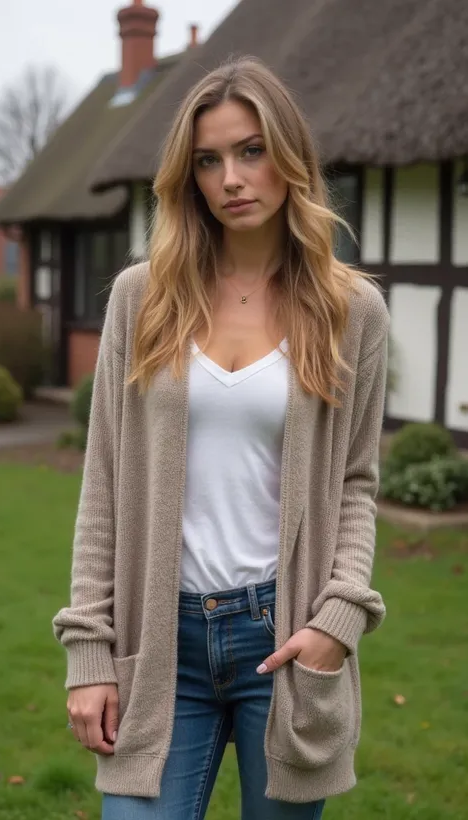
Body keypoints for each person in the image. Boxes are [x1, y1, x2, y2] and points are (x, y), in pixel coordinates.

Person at [53, 57, 389, 820]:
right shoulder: (143, 299)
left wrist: (337, 621)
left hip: (285, 638)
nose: (231, 178)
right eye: (209, 160)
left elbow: (356, 483)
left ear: (289, 157)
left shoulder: (352, 311)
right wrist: (88, 652)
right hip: (159, 637)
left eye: (251, 150)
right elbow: (103, 480)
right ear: (188, 176)